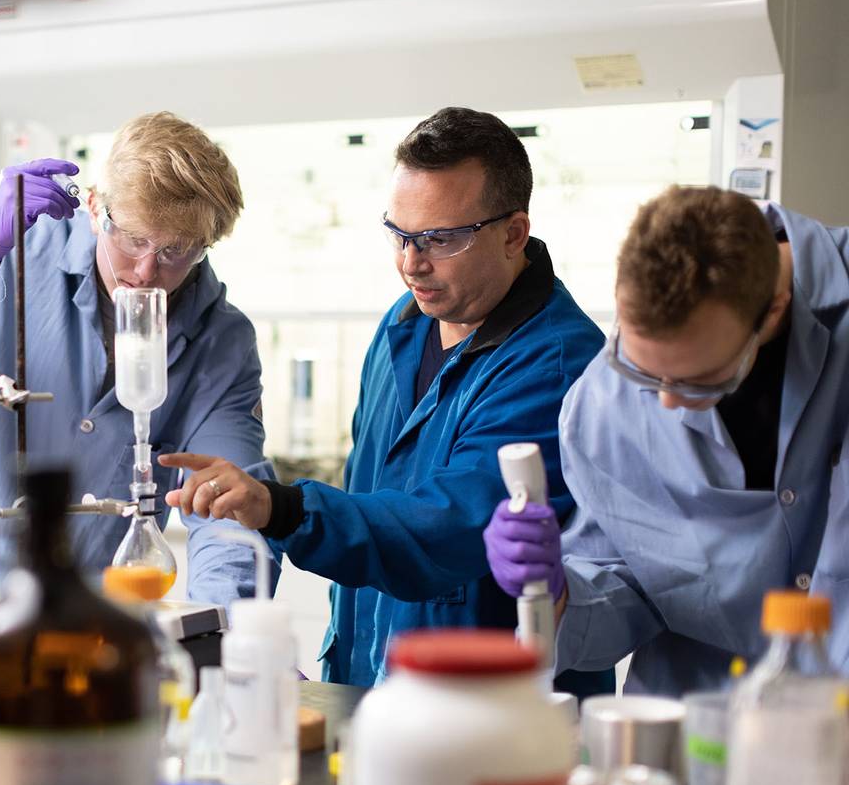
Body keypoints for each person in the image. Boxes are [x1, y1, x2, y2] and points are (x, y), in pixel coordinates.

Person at [161, 107, 608, 692]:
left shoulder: (556, 363)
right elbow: (371, 492)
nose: (410, 263)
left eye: (439, 240)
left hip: (483, 707)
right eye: (399, 234)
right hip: (372, 680)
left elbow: (446, 530)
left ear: (513, 234)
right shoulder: (404, 326)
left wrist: (284, 507)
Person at [0, 112, 276, 617]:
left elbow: (227, 510)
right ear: (97, 206)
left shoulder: (222, 342)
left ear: (207, 244)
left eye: (176, 251)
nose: (147, 271)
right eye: (134, 239)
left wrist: (230, 633)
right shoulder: (7, 257)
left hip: (74, 635)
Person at [486, 185, 849, 696]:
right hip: (694, 733)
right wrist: (559, 594)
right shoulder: (601, 405)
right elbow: (636, 585)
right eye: (639, 369)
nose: (665, 404)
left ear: (771, 312)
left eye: (698, 380)